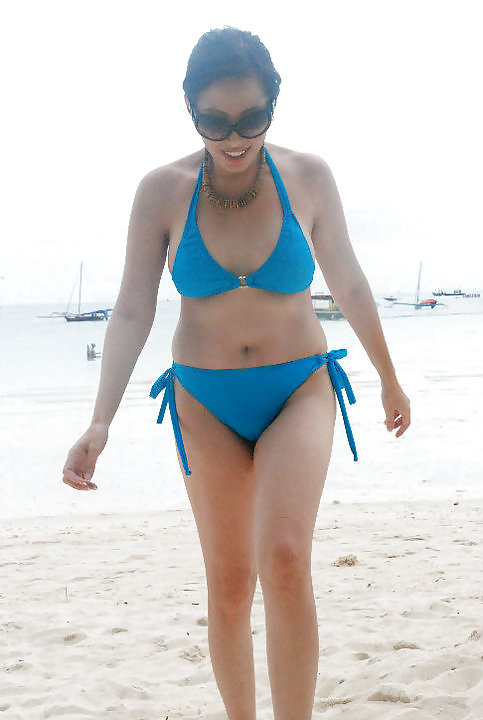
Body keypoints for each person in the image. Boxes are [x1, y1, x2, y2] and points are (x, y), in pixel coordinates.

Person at [63, 27, 410, 720]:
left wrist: (388, 378)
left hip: (298, 388)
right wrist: (99, 421)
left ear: (273, 106)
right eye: (214, 120)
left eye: (252, 118)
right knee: (228, 584)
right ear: (190, 109)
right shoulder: (162, 191)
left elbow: (348, 282)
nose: (234, 137)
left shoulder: (308, 177)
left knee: (283, 557)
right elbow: (132, 309)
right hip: (204, 399)